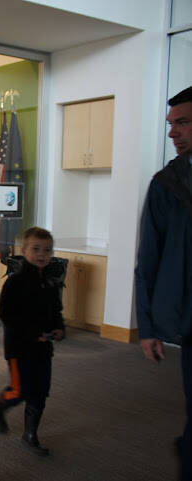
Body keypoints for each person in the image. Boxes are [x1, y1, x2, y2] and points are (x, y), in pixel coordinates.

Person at [135, 85, 192, 481]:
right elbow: (149, 261)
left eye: (183, 122)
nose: (173, 133)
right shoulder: (166, 184)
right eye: (171, 124)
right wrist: (148, 326)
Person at [0, 227, 65, 457]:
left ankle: (30, 435)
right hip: (19, 348)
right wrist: (32, 333)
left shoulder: (51, 283)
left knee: (40, 393)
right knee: (20, 391)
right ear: (24, 250)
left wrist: (59, 328)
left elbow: (56, 311)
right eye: (36, 249)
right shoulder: (15, 281)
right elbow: (7, 314)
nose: (42, 254)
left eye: (47, 250)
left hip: (43, 349)